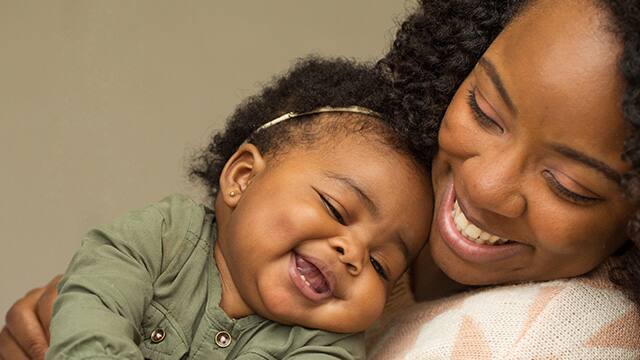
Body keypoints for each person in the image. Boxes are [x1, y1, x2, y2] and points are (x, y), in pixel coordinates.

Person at [3, 0, 640, 358]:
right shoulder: (370, 171)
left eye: (570, 184)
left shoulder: (578, 334)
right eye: (483, 109)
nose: (486, 186)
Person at [41, 57, 433, 359]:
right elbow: (95, 303)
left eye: (382, 266)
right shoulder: (164, 236)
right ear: (243, 178)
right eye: (335, 209)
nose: (354, 253)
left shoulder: (328, 345)